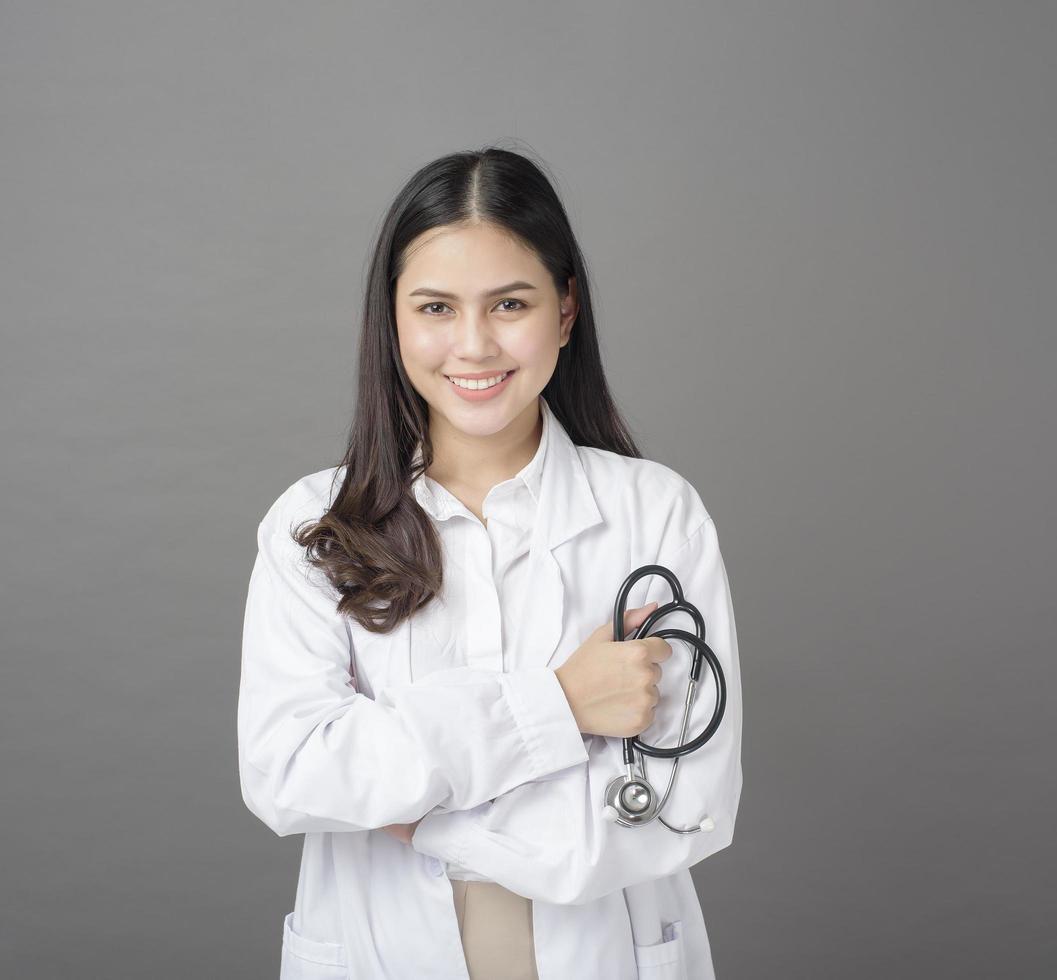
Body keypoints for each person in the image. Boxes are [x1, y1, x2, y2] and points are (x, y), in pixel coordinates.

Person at [237, 146, 743, 980]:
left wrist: (431, 817)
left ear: (566, 310)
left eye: (510, 303)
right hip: (379, 950)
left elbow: (688, 808)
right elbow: (291, 774)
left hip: (603, 952)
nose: (473, 345)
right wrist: (560, 704)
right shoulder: (312, 525)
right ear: (392, 319)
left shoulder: (656, 514)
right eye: (435, 306)